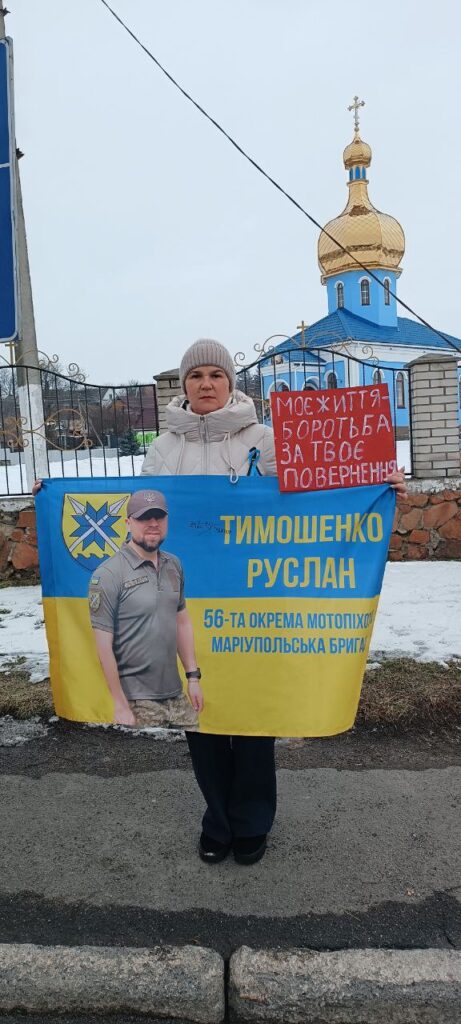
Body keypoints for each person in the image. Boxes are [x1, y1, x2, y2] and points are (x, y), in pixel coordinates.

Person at [141, 338, 407, 867]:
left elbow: (315, 493)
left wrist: (377, 485)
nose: (207, 384)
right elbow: (140, 512)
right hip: (189, 601)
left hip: (252, 599)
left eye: (217, 374)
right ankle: (217, 821)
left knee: (253, 716)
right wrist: (53, 493)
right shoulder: (162, 448)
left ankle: (252, 821)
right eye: (197, 376)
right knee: (200, 718)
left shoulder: (264, 438)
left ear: (231, 382)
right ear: (185, 385)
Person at [88, 488, 203, 730]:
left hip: (176, 697)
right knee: (148, 756)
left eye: (158, 517)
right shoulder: (108, 574)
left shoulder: (174, 565)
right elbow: (103, 646)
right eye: (143, 518)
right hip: (136, 702)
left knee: (195, 752)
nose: (153, 524)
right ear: (128, 523)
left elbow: (181, 622)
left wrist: (192, 677)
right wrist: (120, 703)